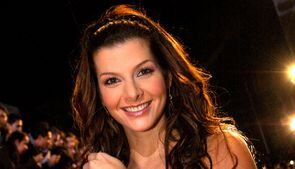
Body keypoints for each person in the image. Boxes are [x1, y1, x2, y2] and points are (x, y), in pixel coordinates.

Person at [71, 4, 257, 169]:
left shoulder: (221, 150)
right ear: (99, 93)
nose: (133, 93)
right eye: (112, 80)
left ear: (167, 75)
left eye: (143, 72)